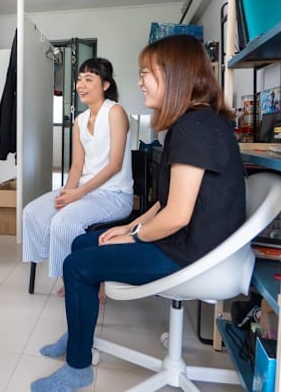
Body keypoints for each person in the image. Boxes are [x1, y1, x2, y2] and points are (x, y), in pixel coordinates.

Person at [31, 34, 246, 392]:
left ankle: (78, 367)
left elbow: (177, 216)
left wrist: (133, 236)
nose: (140, 81)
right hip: (186, 241)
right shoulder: (192, 123)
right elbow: (167, 201)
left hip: (190, 252)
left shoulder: (195, 128)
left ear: (175, 74)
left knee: (78, 266)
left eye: (147, 72)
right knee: (83, 243)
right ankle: (79, 335)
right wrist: (131, 225)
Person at [21, 57, 133, 294]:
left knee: (63, 223)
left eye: (89, 79)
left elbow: (115, 165)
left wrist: (77, 194)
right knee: (32, 212)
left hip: (114, 196)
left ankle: (86, 279)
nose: (81, 85)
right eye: (80, 79)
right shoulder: (80, 120)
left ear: (105, 85)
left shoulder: (115, 112)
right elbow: (77, 166)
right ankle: (69, 275)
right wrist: (66, 194)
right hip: (87, 192)